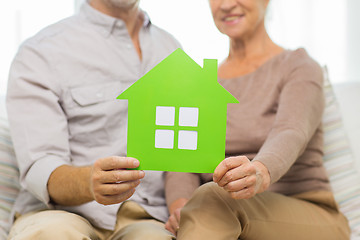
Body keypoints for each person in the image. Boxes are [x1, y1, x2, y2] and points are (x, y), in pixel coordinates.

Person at [164, 0, 350, 239]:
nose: (227, 4)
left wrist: (260, 172)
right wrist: (182, 207)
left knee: (213, 197)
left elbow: (291, 130)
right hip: (220, 211)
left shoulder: (298, 65)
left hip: (306, 211)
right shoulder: (202, 82)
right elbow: (183, 159)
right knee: (210, 200)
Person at [6, 0, 180, 239]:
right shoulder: (41, 52)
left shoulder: (171, 49)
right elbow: (40, 166)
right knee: (54, 234)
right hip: (60, 213)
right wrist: (88, 181)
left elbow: (180, 157)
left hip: (146, 216)